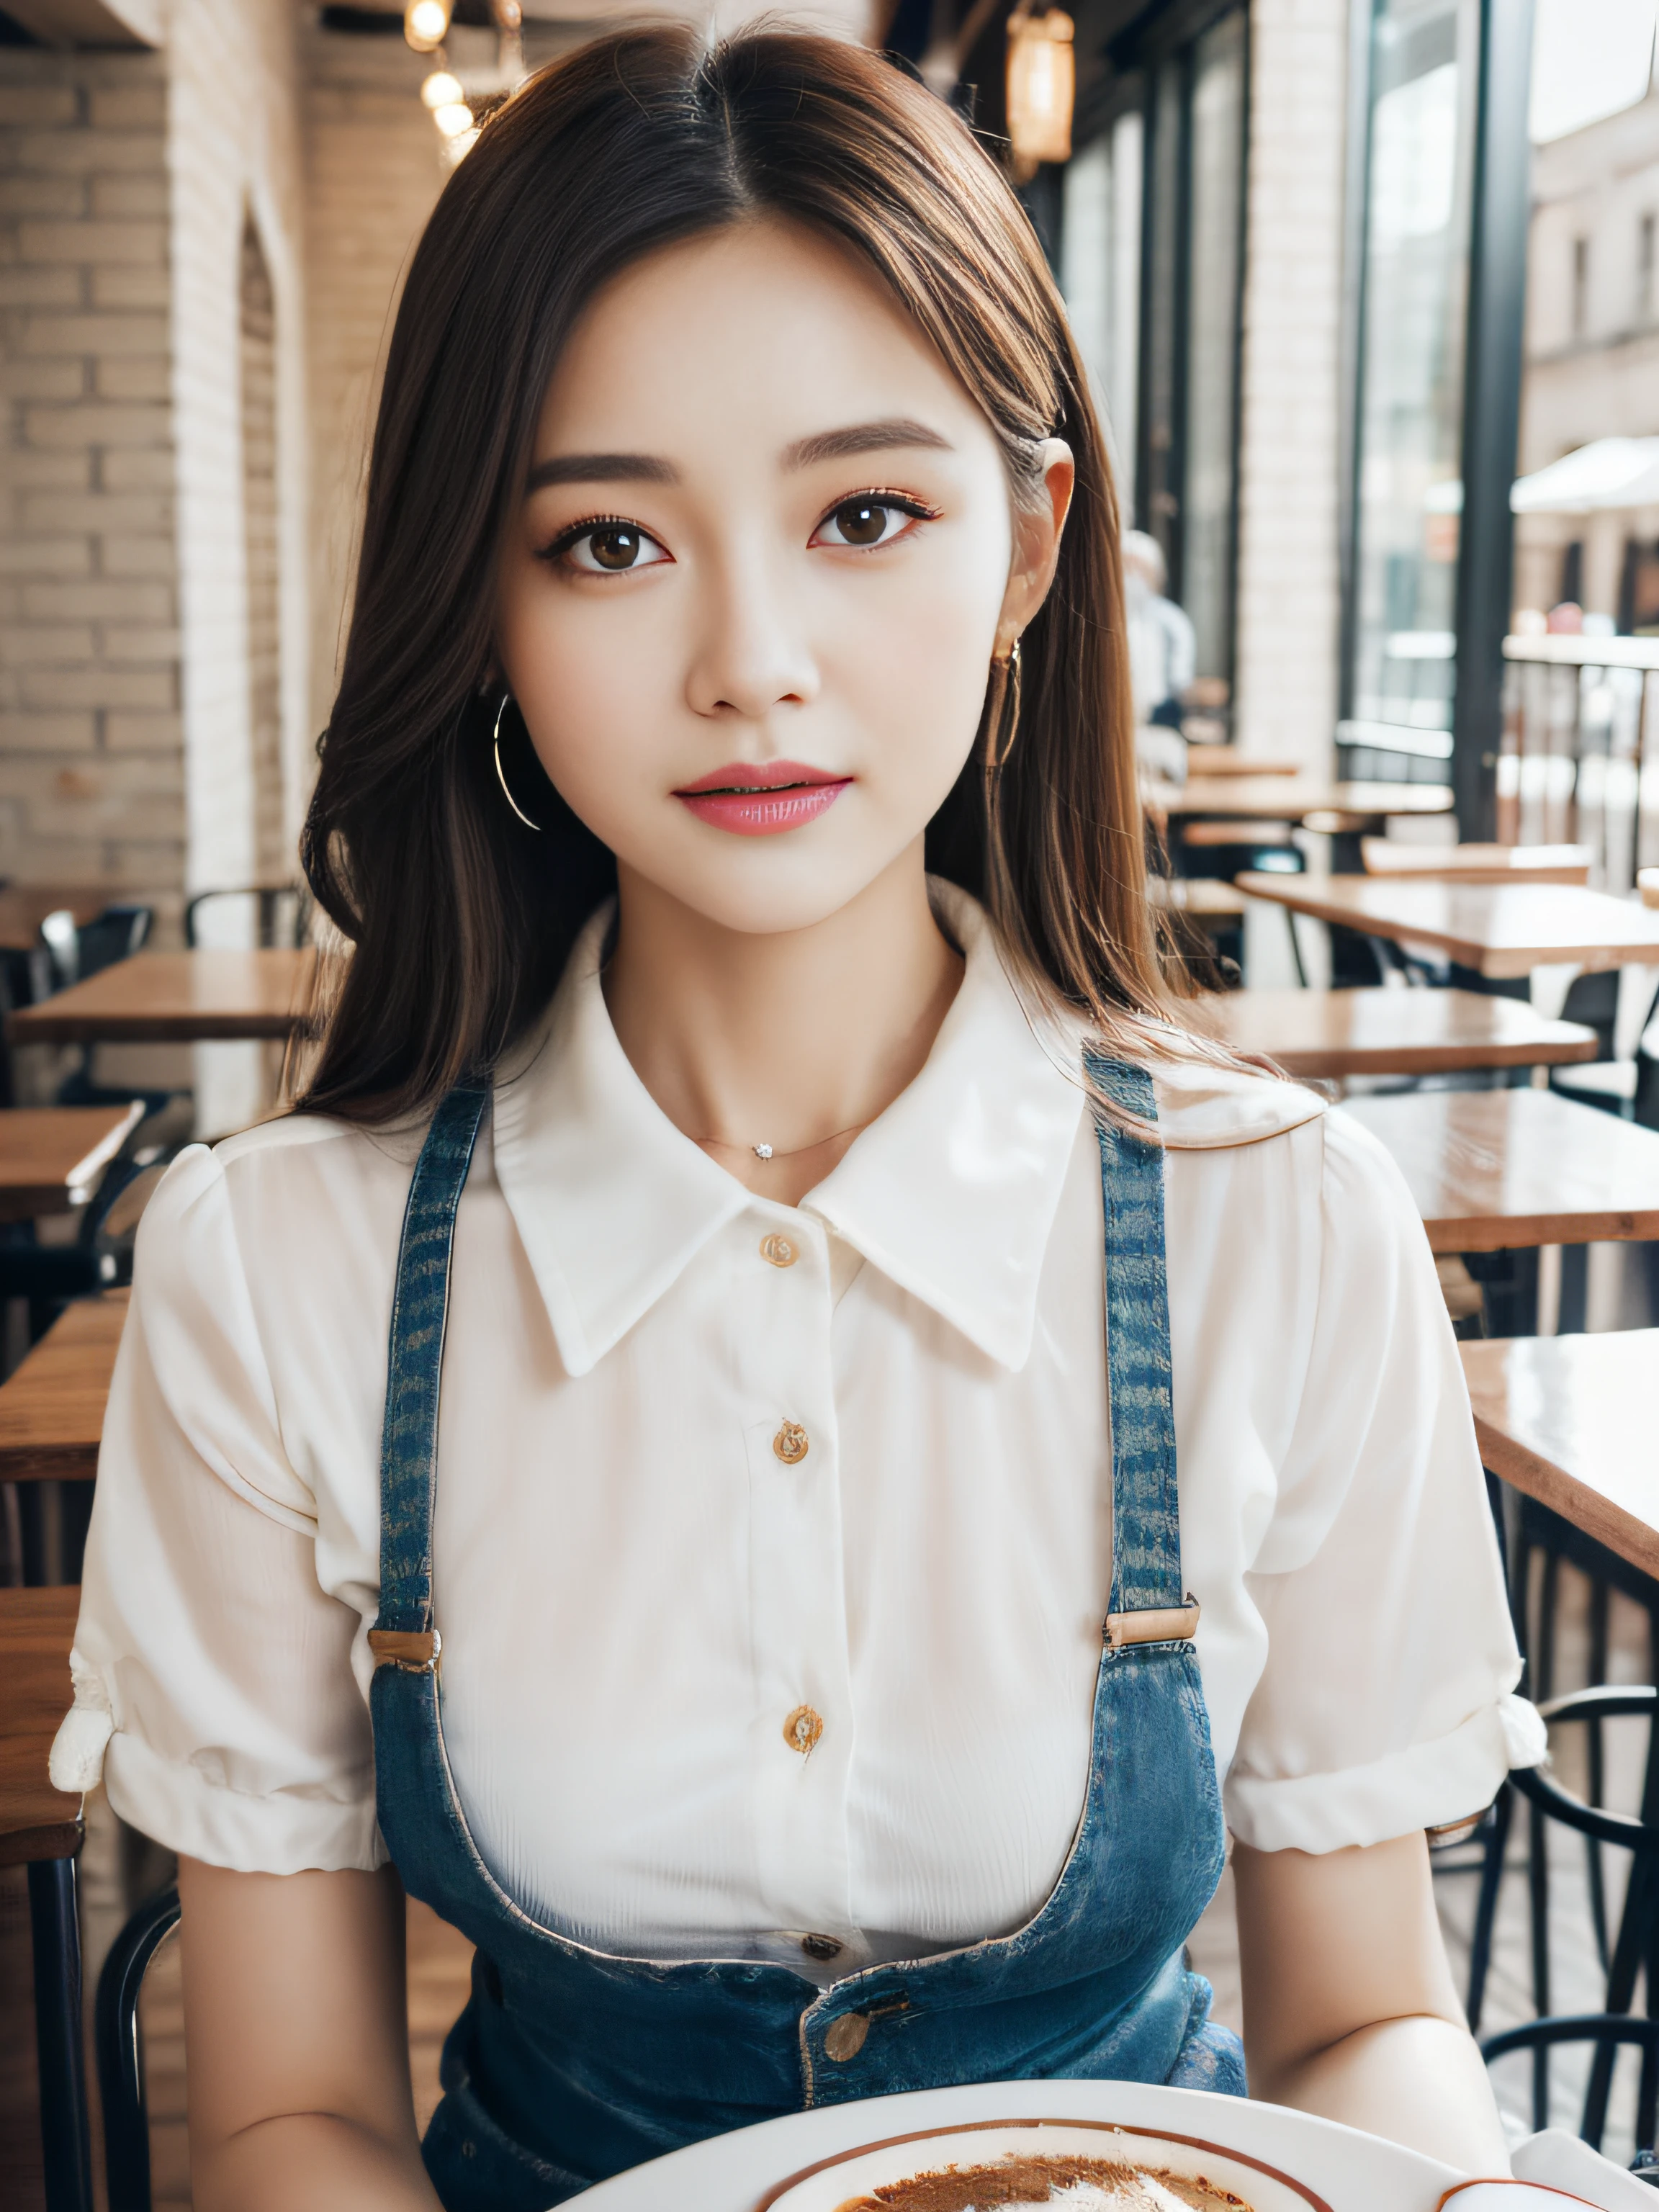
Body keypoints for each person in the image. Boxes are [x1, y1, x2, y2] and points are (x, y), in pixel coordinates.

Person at [52, 29, 1538, 2212]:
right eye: (607, 541)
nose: (751, 658)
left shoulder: (1279, 1226)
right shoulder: (276, 1269)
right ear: (480, 595)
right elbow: (293, 2116)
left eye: (864, 514)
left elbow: (1361, 2019)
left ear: (1028, 544)